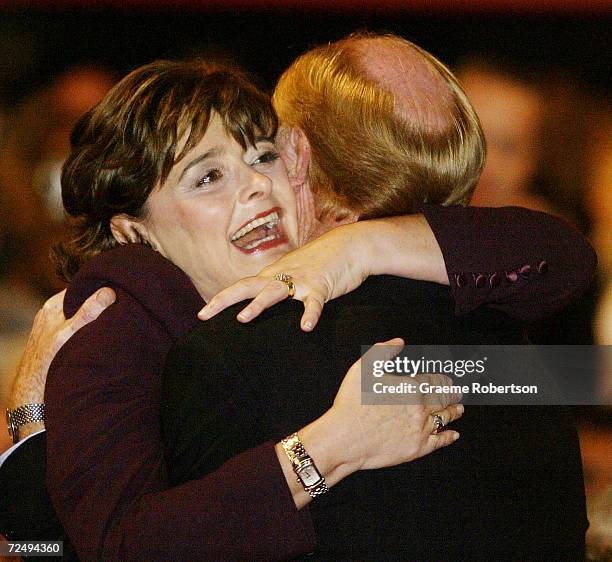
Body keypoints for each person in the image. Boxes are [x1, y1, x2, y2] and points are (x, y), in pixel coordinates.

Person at [4, 40, 595, 559]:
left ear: (300, 161)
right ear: (133, 230)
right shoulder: (131, 331)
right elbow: (93, 545)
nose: (256, 185)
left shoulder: (259, 341)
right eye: (207, 177)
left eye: (263, 157)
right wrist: (326, 449)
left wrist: (356, 248)